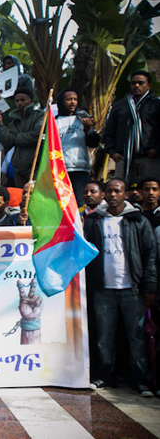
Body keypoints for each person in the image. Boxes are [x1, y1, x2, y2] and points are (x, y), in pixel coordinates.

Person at [83, 178, 157, 397]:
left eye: (118, 191)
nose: (113, 195)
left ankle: (141, 380)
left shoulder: (138, 220)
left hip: (132, 289)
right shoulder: (94, 221)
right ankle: (105, 375)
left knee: (136, 336)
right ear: (104, 195)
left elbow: (150, 256)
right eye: (109, 191)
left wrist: (150, 287)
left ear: (125, 194)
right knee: (104, 336)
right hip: (103, 289)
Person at [103, 71, 160, 183]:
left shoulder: (156, 105)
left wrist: (157, 150)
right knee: (122, 188)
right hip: (123, 158)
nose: (137, 86)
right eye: (133, 83)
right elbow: (109, 131)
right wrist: (112, 152)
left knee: (150, 188)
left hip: (149, 158)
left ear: (149, 85)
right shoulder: (120, 105)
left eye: (141, 83)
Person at [56, 88, 100, 204]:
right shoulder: (55, 121)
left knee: (80, 202)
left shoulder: (83, 118)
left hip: (80, 168)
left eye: (75, 99)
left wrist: (88, 130)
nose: (72, 102)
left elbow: (94, 143)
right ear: (61, 101)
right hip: (61, 169)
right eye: (69, 99)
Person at [0, 87, 43, 188]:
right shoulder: (15, 121)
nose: (19, 103)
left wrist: (16, 138)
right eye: (17, 101)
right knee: (20, 195)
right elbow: (7, 140)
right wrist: (1, 124)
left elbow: (36, 136)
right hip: (19, 170)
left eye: (23, 100)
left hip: (35, 167)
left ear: (30, 100)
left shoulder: (39, 116)